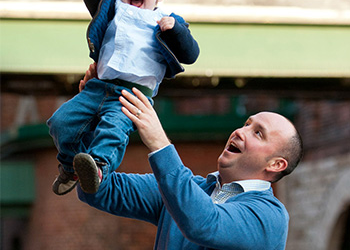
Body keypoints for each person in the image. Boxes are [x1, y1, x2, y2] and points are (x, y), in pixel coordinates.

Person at [47, 0, 200, 196]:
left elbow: (191, 54)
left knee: (113, 130)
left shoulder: (164, 21)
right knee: (60, 121)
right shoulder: (112, 8)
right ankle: (71, 166)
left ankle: (98, 168)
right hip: (98, 87)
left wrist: (176, 29)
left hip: (132, 95)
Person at [77, 87, 303, 250]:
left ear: (275, 165)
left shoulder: (269, 216)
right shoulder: (186, 190)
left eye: (258, 133)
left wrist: (160, 144)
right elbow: (99, 188)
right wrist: (96, 114)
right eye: (246, 124)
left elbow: (204, 223)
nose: (239, 132)